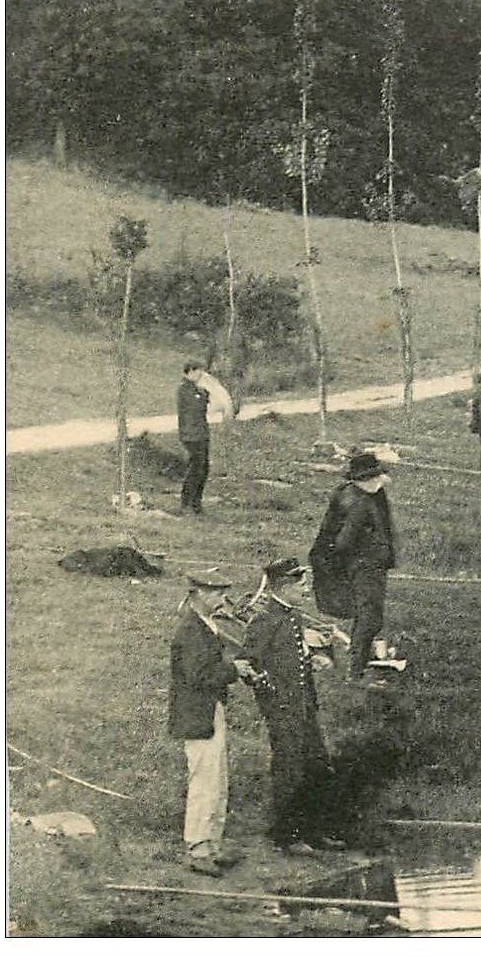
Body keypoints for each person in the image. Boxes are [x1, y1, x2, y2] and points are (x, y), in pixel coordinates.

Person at [241, 563, 344, 857]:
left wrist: (313, 663)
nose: (306, 589)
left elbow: (294, 659)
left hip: (304, 706)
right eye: (301, 585)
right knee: (289, 770)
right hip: (284, 710)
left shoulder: (292, 616)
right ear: (284, 586)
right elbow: (249, 666)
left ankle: (314, 830)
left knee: (316, 764)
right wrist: (274, 700)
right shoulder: (265, 621)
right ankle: (287, 835)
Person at [169, 575, 251, 876]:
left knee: (217, 779)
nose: (222, 598)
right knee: (204, 781)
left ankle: (213, 844)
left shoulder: (205, 625)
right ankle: (198, 848)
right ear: (197, 594)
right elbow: (197, 676)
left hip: (209, 710)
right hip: (196, 715)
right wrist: (233, 669)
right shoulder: (191, 630)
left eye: (223, 591)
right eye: (215, 592)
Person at [309, 452, 396, 679]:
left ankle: (360, 659)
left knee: (368, 614)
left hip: (364, 564)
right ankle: (356, 667)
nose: (378, 481)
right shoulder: (360, 502)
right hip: (366, 565)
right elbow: (344, 541)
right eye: (373, 477)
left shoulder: (354, 494)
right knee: (370, 616)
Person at [176, 361, 211, 514]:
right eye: (197, 372)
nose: (200, 376)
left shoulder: (197, 389)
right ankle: (187, 501)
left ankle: (196, 502)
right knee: (196, 468)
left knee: (203, 468)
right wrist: (203, 394)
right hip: (191, 435)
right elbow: (196, 406)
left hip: (201, 433)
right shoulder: (184, 389)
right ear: (189, 372)